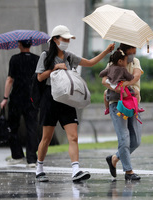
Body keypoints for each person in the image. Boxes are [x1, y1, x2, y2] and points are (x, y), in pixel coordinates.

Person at [35, 25, 115, 182]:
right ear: (55, 39)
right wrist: (55, 68)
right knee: (46, 138)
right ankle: (39, 168)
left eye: (68, 39)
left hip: (67, 99)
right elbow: (39, 78)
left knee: (73, 136)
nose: (66, 41)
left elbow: (90, 62)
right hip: (50, 99)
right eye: (64, 39)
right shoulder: (45, 56)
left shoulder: (69, 56)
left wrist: (106, 51)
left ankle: (75, 170)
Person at [102, 43, 143, 181]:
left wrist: (125, 85)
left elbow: (136, 76)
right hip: (117, 104)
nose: (134, 53)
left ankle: (114, 158)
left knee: (136, 141)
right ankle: (128, 172)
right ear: (125, 51)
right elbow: (104, 80)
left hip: (132, 103)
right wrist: (116, 88)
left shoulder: (135, 62)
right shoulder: (113, 62)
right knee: (124, 138)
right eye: (132, 50)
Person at [0, 40, 40, 168]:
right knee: (32, 128)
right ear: (31, 45)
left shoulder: (14, 59)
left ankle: (17, 156)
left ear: (19, 45)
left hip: (17, 98)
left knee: (13, 127)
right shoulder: (37, 59)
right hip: (32, 99)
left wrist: (5, 97)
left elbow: (10, 79)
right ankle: (32, 159)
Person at [99, 49, 139, 114]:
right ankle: (136, 108)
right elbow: (130, 77)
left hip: (112, 89)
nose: (127, 62)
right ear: (120, 61)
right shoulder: (123, 69)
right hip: (122, 89)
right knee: (136, 93)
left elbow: (101, 74)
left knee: (105, 93)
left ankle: (107, 109)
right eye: (126, 61)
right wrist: (131, 76)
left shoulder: (109, 68)